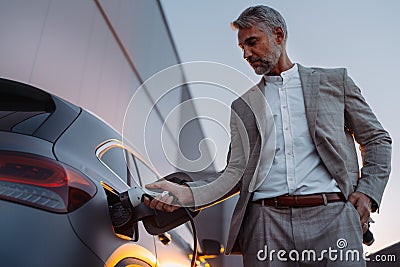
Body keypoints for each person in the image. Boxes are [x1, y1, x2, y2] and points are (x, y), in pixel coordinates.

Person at [144, 5, 391, 266]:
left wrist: (367, 194)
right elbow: (234, 174)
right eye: (242, 49)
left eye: (252, 42)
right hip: (265, 225)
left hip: (333, 218)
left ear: (279, 35)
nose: (247, 54)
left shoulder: (334, 82)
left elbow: (376, 139)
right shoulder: (243, 106)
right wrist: (186, 195)